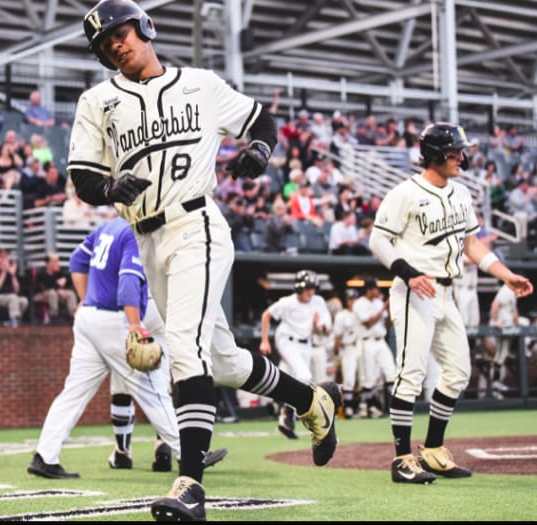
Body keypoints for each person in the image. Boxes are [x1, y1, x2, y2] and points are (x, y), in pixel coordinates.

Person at [69, 2, 341, 520]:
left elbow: (262, 119)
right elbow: (83, 174)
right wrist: (107, 185)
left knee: (183, 347)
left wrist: (260, 150)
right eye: (105, 44)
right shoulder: (97, 100)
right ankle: (311, 401)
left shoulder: (201, 83)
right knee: (223, 361)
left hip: (197, 225)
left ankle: (190, 483)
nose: (115, 45)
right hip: (146, 239)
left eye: (120, 33)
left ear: (144, 27)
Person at [369, 121, 533, 484]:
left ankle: (432, 450)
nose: (462, 156)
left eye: (461, 150)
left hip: (447, 292)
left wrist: (505, 274)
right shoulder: (405, 192)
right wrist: (407, 271)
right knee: (411, 374)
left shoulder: (460, 193)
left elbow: (471, 245)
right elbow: (378, 241)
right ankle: (401, 459)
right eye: (455, 151)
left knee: (459, 371)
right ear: (435, 153)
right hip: (415, 289)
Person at [27, 213, 225, 479]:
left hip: (89, 319)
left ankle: (45, 456)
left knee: (73, 392)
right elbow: (128, 283)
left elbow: (76, 260)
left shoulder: (107, 227)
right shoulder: (135, 231)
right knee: (153, 388)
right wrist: (134, 325)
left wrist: (85, 299)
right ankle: (188, 451)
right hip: (114, 319)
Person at [259, 270, 331, 440]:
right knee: (304, 376)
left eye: (313, 288)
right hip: (286, 340)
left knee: (289, 380)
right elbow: (266, 315)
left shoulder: (318, 301)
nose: (311, 292)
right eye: (308, 288)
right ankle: (288, 412)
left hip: (305, 344)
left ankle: (283, 422)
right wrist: (264, 341)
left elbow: (324, 329)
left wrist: (318, 326)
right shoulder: (287, 302)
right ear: (299, 288)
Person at [352, 278, 395, 419]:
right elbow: (368, 323)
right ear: (369, 290)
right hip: (367, 342)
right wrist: (384, 307)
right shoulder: (359, 304)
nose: (378, 291)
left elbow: (387, 323)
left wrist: (388, 309)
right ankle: (369, 407)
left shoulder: (378, 302)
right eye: (375, 289)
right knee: (369, 378)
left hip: (380, 341)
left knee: (391, 372)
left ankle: (394, 406)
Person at [332, 288, 360, 418]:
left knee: (365, 378)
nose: (352, 302)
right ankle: (348, 407)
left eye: (354, 299)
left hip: (361, 346)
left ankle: (363, 406)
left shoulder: (361, 313)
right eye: (350, 299)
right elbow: (337, 337)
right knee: (349, 379)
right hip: (347, 348)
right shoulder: (341, 315)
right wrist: (336, 354)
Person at [33, 252, 79, 325]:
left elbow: (70, 278)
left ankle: (73, 316)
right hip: (40, 295)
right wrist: (57, 289)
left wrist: (65, 279)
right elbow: (44, 286)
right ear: (48, 264)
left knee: (70, 294)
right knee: (52, 293)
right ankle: (53, 316)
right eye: (54, 262)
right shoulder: (41, 273)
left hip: (57, 295)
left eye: (57, 262)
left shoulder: (59, 273)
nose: (57, 264)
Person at [0, 248, 29, 328]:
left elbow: (16, 290)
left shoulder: (11, 273)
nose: (5, 260)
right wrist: (4, 272)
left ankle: (14, 320)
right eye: (3, 257)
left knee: (24, 301)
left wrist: (13, 275)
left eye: (6, 257)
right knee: (13, 297)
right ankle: (14, 322)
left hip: (10, 297)